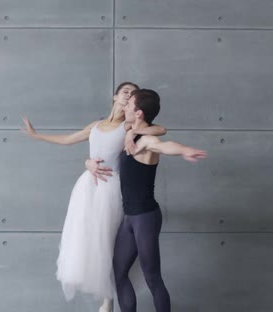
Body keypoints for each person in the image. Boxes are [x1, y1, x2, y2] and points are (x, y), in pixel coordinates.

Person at [21, 82, 167, 312]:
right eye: (125, 92)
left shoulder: (129, 127)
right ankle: (105, 298)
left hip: (112, 188)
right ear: (115, 97)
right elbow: (70, 139)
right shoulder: (97, 125)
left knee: (109, 242)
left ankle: (108, 300)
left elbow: (160, 130)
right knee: (90, 241)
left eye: (132, 94)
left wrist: (137, 130)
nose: (129, 96)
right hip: (89, 188)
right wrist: (38, 136)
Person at [86, 89, 207, 312]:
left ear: (139, 112)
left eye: (129, 104)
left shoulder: (148, 140)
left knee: (152, 276)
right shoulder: (130, 133)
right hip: (129, 218)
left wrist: (184, 150)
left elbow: (164, 145)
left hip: (145, 218)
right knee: (119, 272)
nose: (124, 107)